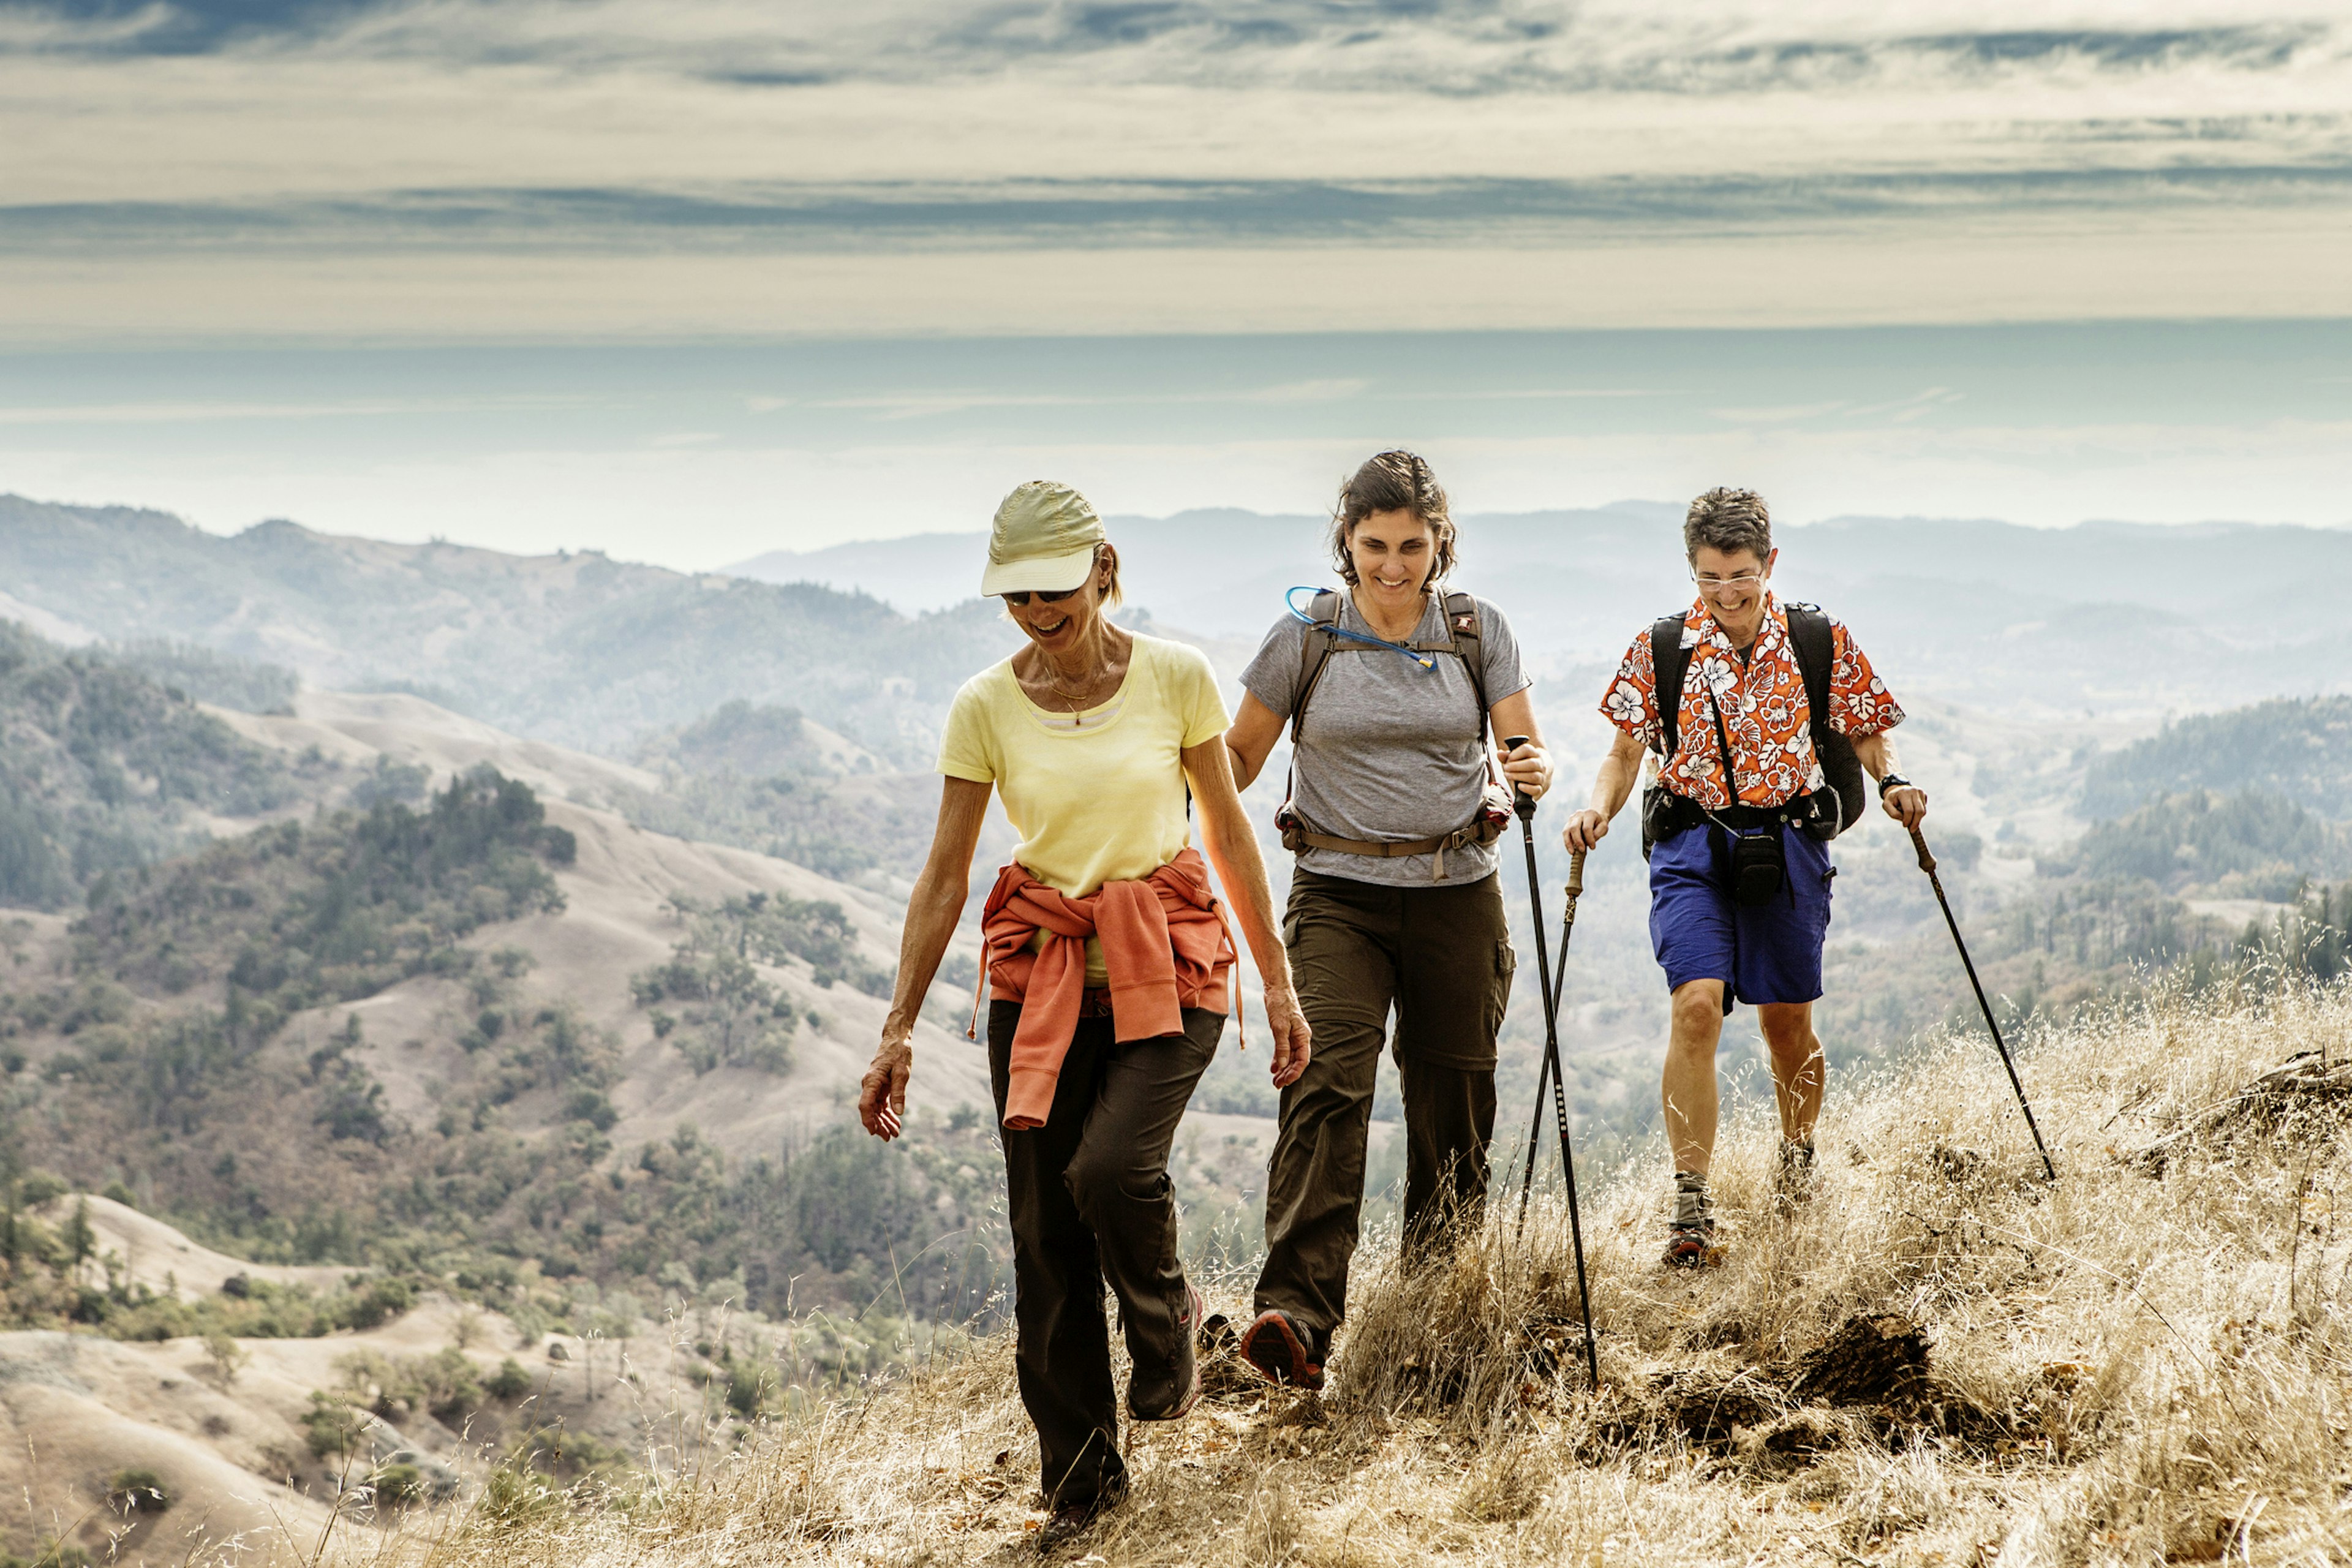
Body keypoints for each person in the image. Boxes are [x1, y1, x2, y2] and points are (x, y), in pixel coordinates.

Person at [858, 480, 1310, 1548]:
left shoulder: (1175, 678)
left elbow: (1233, 838)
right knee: (1046, 1235)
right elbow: (944, 876)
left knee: (1111, 1169)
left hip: (1169, 957)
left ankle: (1168, 1339)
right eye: (1014, 595)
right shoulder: (985, 704)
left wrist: (1278, 983)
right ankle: (1081, 1491)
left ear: (1101, 568)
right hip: (1045, 977)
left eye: (1052, 589)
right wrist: (898, 1027)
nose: (1035, 610)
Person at [1220, 450, 1552, 1390]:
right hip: (1337, 894)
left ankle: (1435, 1304)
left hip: (1458, 891)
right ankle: (1296, 1319)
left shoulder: (1476, 631)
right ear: (1346, 541)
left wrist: (1533, 769)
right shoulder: (1307, 637)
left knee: (1454, 1097)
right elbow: (1234, 762)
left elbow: (1521, 738)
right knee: (1326, 1084)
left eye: (1412, 545)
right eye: (1374, 545)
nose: (1393, 565)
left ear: (1439, 542)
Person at [1562, 486, 1925, 1268]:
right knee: (1696, 1008)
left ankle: (1798, 1160)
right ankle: (1691, 1206)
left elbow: (1866, 731)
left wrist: (1894, 783)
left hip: (1790, 841)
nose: (1725, 596)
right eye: (1708, 580)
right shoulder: (1661, 646)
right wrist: (1597, 811)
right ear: (1690, 570)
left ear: (1770, 564)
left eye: (1740, 579)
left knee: (1785, 1021)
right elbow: (1625, 753)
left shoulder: (1818, 639)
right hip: (1691, 846)